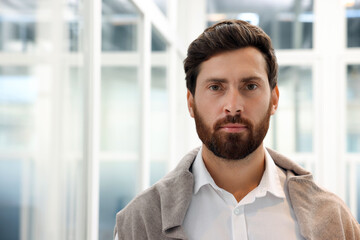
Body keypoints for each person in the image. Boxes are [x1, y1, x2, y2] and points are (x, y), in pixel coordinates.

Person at [113, 19, 360, 240]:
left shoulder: (333, 218)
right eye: (216, 87)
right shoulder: (140, 222)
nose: (233, 106)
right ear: (191, 102)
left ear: (274, 99)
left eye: (250, 86)